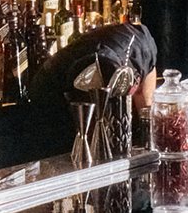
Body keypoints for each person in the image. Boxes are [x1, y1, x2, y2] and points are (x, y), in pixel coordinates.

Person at [23, 22, 158, 159]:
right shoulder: (49, 87)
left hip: (115, 50)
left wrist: (146, 119)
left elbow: (149, 70)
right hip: (48, 103)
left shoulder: (139, 46)